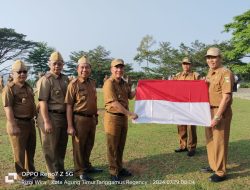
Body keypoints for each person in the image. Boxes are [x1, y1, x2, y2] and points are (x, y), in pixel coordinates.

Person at [65, 56, 103, 181]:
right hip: (79, 119)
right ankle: (79, 171)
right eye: (82, 67)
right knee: (79, 146)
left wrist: (96, 116)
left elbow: (94, 101)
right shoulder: (73, 84)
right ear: (77, 69)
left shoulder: (92, 82)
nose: (84, 70)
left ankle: (87, 166)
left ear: (90, 69)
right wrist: (70, 125)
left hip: (91, 119)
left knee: (89, 144)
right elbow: (69, 106)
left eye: (87, 67)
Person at [201, 47, 234, 182]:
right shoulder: (210, 72)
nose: (211, 60)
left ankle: (220, 172)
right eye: (208, 57)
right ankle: (214, 165)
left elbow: (226, 97)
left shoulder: (226, 73)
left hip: (220, 112)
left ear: (220, 58)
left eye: (213, 57)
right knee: (210, 140)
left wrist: (217, 116)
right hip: (207, 111)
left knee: (219, 142)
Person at [103, 59, 138, 182]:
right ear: (111, 69)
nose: (119, 70)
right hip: (112, 118)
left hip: (122, 118)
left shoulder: (123, 83)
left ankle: (119, 167)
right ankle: (113, 172)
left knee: (120, 145)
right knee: (112, 146)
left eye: (121, 67)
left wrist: (141, 88)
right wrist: (129, 114)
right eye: (116, 67)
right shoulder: (109, 83)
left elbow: (130, 96)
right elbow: (114, 103)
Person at [2, 60, 37, 183]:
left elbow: (32, 104)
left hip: (30, 123)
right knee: (19, 151)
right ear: (12, 74)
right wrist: (12, 125)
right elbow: (8, 107)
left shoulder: (28, 86)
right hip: (18, 123)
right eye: (19, 72)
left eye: (25, 72)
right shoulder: (9, 88)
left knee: (31, 149)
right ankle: (22, 175)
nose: (22, 74)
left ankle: (31, 171)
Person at [37, 51, 69, 181]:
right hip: (49, 115)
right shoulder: (46, 80)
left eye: (60, 64)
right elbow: (42, 101)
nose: (57, 66)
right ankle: (53, 173)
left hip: (63, 117)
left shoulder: (65, 79)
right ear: (49, 64)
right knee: (50, 147)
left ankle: (60, 170)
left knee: (61, 145)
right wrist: (46, 121)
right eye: (54, 64)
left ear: (63, 65)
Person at [172, 57, 200, 157]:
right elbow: (171, 88)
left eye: (188, 64)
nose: (186, 65)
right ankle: (183, 145)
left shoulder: (196, 76)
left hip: (191, 104)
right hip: (180, 105)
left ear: (191, 65)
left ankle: (192, 147)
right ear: (182, 65)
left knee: (191, 127)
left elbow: (201, 88)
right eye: (184, 64)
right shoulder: (177, 76)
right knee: (181, 126)